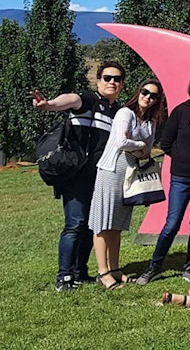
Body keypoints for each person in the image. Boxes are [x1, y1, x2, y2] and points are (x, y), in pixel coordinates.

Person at [31, 60, 127, 292]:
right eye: (107, 78)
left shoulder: (118, 112)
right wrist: (50, 104)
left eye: (117, 79)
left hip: (101, 177)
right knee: (75, 223)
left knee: (90, 225)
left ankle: (79, 271)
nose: (112, 82)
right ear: (98, 80)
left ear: (122, 84)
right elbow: (71, 99)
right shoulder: (90, 100)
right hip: (77, 175)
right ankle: (64, 276)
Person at [137, 71, 190, 284]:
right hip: (181, 177)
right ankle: (155, 266)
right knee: (172, 223)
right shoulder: (181, 112)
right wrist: (183, 158)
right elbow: (166, 143)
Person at [88, 77, 167, 289]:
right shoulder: (125, 113)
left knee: (118, 225)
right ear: (138, 92)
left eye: (154, 96)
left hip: (130, 175)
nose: (148, 98)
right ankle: (102, 272)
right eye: (145, 92)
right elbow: (121, 142)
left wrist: (138, 147)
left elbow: (147, 151)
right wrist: (139, 145)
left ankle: (115, 269)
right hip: (112, 170)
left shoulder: (150, 123)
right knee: (103, 224)